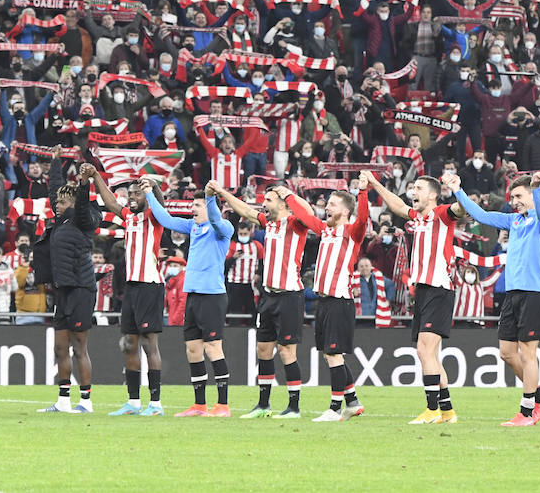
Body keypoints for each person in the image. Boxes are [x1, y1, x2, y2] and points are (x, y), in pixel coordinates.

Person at [452, 171, 540, 426]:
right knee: (506, 352)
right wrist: (458, 189)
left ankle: (527, 411)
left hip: (534, 294)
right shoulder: (514, 220)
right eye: (512, 197)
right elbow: (481, 215)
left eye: (519, 196)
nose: (514, 201)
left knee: (527, 354)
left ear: (533, 195)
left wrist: (538, 191)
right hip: (513, 294)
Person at [214, 182, 322, 418]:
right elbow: (245, 210)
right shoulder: (268, 223)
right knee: (263, 349)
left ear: (283, 204)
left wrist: (290, 194)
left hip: (290, 296)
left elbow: (310, 213)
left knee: (286, 351)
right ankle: (263, 405)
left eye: (269, 200)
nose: (263, 204)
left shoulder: (295, 223)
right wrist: (223, 193)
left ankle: (294, 407)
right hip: (268, 296)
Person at [369, 171, 466, 424]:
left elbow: (463, 209)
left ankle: (431, 409)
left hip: (438, 289)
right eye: (413, 188)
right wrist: (375, 182)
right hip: (423, 291)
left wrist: (456, 188)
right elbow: (397, 205)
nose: (413, 192)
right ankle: (447, 411)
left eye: (419, 188)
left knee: (424, 351)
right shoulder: (418, 217)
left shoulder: (443, 214)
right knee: (431, 355)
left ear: (433, 195)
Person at [144, 178, 235, 417]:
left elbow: (215, 218)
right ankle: (199, 405)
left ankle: (223, 405)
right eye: (193, 205)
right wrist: (149, 193)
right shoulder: (193, 227)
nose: (194, 209)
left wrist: (210, 198)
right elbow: (165, 219)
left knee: (213, 348)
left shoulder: (223, 228)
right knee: (193, 350)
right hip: (193, 295)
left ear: (210, 205)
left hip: (213, 296)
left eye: (199, 205)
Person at [89, 169, 166, 417]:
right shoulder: (129, 219)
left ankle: (155, 404)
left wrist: (152, 187)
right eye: (130, 194)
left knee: (149, 344)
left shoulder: (154, 216)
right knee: (130, 344)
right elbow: (111, 202)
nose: (131, 197)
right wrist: (95, 176)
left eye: (137, 194)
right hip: (132, 287)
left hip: (150, 285)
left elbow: (160, 205)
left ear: (147, 196)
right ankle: (133, 402)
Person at [39, 166, 102, 414]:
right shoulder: (61, 221)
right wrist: (56, 164)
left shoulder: (81, 220)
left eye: (63, 202)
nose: (58, 204)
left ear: (74, 205)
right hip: (63, 290)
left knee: (79, 348)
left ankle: (86, 401)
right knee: (60, 348)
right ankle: (63, 400)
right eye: (57, 202)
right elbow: (56, 189)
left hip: (81, 289)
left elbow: (83, 205)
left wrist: (84, 183)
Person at [307, 180, 372, 422]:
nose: (327, 207)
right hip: (324, 301)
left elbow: (363, 219)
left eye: (332, 204)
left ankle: (335, 409)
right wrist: (289, 197)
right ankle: (352, 402)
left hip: (339, 300)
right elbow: (306, 217)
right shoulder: (325, 230)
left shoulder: (352, 231)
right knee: (329, 354)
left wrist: (363, 192)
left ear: (345, 211)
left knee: (334, 355)